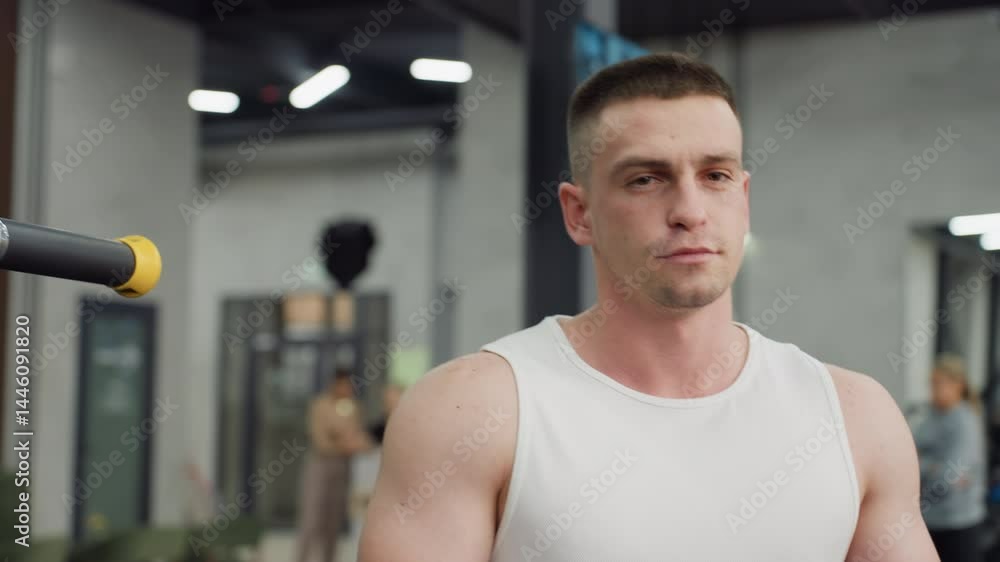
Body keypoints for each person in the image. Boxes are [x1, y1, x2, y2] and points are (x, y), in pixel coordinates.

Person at [359, 53, 938, 561]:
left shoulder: (855, 416)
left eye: (715, 175)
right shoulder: (474, 412)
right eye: (645, 179)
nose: (690, 211)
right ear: (579, 214)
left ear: (743, 199)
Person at [914, 354, 988, 562]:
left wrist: (922, 464)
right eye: (932, 384)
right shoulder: (929, 417)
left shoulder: (965, 422)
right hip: (928, 520)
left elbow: (949, 476)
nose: (934, 390)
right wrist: (931, 466)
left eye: (940, 383)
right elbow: (907, 458)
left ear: (958, 385)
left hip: (958, 524)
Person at [297, 368, 372, 562]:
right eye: (344, 385)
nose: (347, 389)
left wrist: (340, 437)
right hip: (320, 466)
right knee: (311, 519)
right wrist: (344, 441)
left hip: (342, 467)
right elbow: (320, 440)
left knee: (333, 521)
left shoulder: (353, 407)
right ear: (335, 384)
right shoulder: (320, 405)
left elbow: (357, 436)